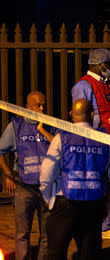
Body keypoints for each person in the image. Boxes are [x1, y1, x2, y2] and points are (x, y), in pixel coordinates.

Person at [40, 99, 110, 260]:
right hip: (93, 203)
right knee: (89, 253)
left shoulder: (62, 138)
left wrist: (49, 198)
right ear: (91, 114)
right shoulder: (105, 140)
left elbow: (47, 173)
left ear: (70, 115)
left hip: (64, 202)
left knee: (55, 253)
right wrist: (106, 201)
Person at [71, 48, 110, 240]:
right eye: (108, 64)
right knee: (99, 185)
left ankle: (105, 223)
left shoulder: (109, 84)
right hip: (98, 144)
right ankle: (101, 226)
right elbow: (80, 118)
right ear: (97, 64)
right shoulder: (84, 86)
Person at [0, 91, 56, 260]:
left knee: (47, 235)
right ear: (27, 107)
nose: (41, 109)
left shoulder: (51, 125)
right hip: (25, 189)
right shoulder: (16, 126)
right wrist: (8, 174)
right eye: (37, 105)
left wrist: (42, 129)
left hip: (47, 190)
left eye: (43, 105)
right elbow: (0, 150)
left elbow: (60, 148)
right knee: (22, 234)